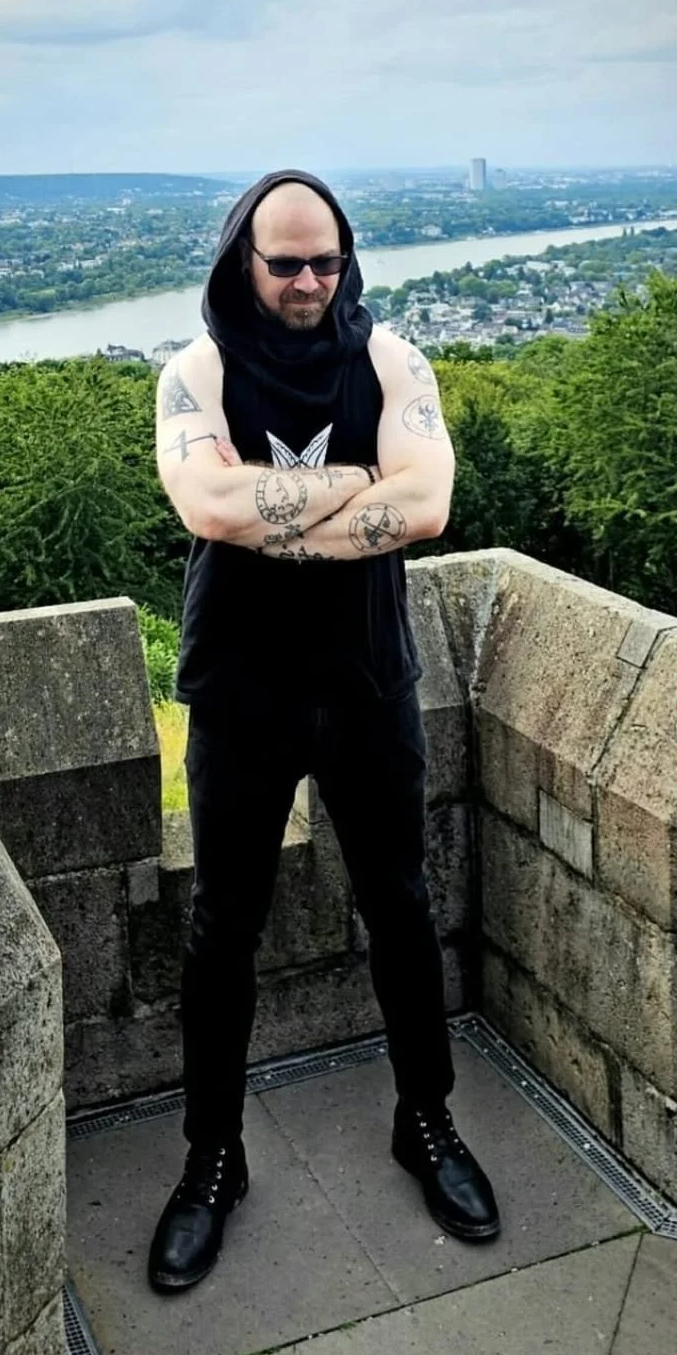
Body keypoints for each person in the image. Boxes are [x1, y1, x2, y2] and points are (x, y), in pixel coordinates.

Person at [148, 168, 500, 1294]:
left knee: (399, 902)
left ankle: (427, 1121)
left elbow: (431, 500)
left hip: (363, 679)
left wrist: (274, 516)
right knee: (222, 927)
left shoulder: (392, 359)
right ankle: (212, 1158)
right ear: (241, 263)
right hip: (241, 689)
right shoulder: (193, 371)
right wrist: (360, 496)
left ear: (345, 258)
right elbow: (206, 510)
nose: (307, 281)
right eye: (283, 261)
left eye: (324, 260)